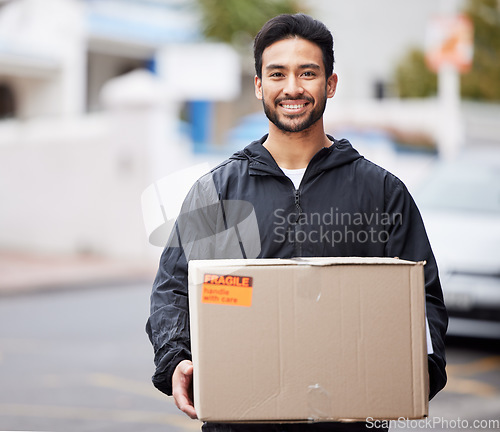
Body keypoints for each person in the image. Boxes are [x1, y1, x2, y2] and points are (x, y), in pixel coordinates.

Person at [146, 13, 448, 432]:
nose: (292, 88)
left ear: (331, 84)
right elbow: (174, 290)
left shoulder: (382, 192)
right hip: (240, 421)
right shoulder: (216, 192)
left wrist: (417, 373)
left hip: (348, 421)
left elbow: (422, 300)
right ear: (258, 85)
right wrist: (176, 357)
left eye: (308, 73)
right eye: (277, 74)